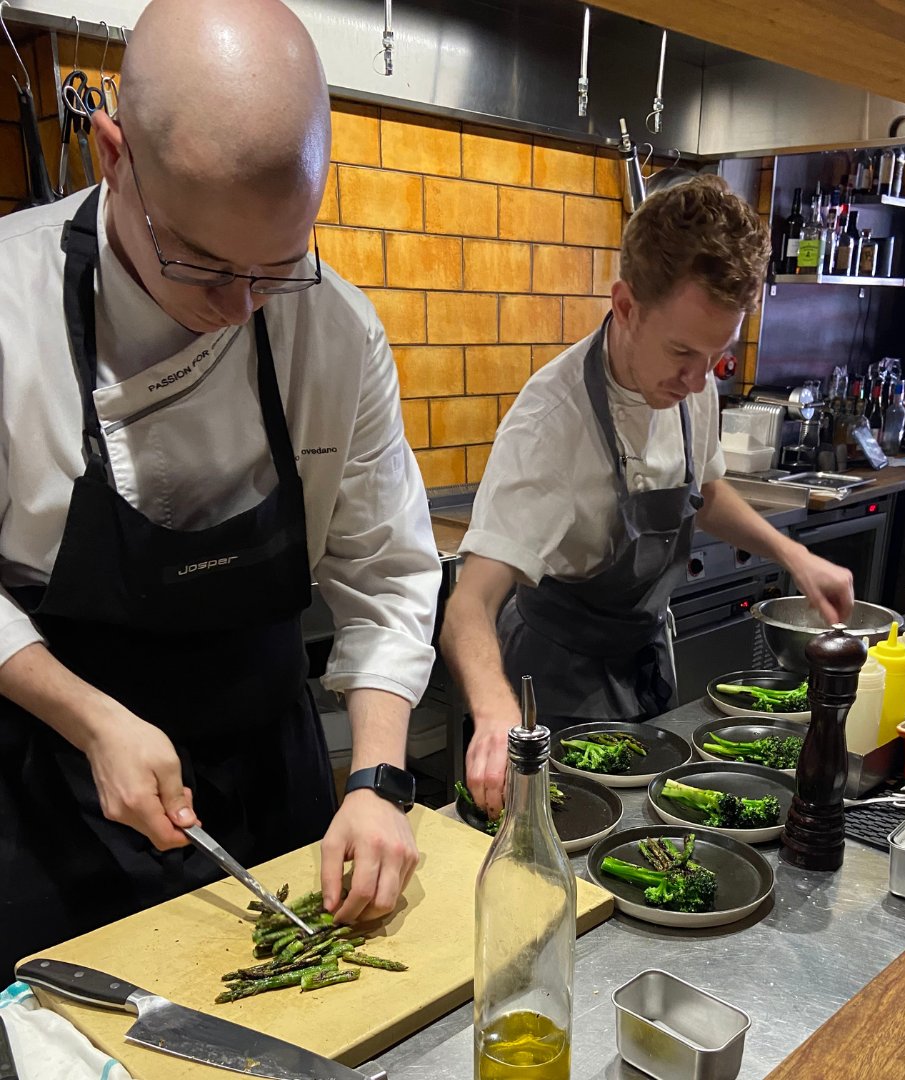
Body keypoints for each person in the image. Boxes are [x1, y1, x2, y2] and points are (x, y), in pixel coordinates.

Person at [0, 0, 440, 975]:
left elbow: (388, 573)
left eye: (277, 268)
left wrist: (374, 778)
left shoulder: (337, 331)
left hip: (273, 771)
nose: (241, 308)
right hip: (58, 784)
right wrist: (93, 719)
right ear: (113, 154)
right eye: (202, 265)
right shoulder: (5, 306)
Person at [441, 176, 855, 818]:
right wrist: (493, 709)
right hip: (556, 678)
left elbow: (706, 491)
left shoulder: (693, 385)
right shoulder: (550, 422)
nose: (696, 379)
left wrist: (792, 558)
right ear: (626, 306)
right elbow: (470, 601)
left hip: (644, 660)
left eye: (715, 356)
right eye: (682, 351)